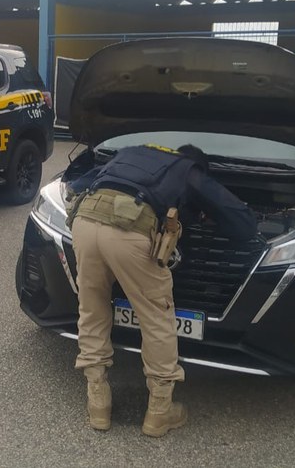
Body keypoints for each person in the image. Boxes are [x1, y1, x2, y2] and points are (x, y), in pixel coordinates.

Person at [66, 143, 258, 437]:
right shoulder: (189, 170)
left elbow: (77, 184)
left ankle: (98, 403)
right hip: (128, 232)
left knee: (92, 309)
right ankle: (159, 411)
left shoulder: (131, 153)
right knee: (156, 318)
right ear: (197, 164)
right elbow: (241, 222)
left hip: (84, 222)